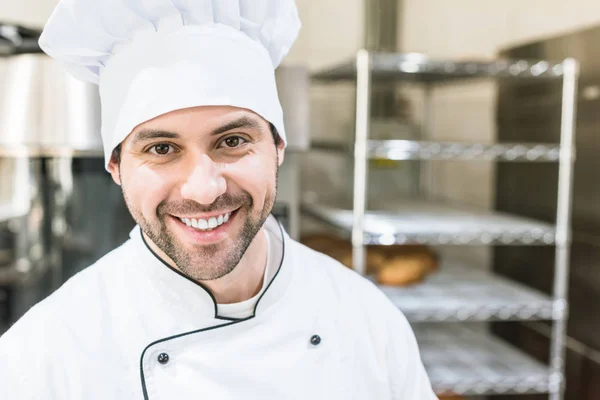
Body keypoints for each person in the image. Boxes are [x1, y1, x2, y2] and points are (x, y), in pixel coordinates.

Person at [0, 0, 436, 399]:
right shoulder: (42, 358)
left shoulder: (369, 322)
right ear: (116, 167)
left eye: (232, 140)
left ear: (278, 148)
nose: (204, 189)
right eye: (161, 149)